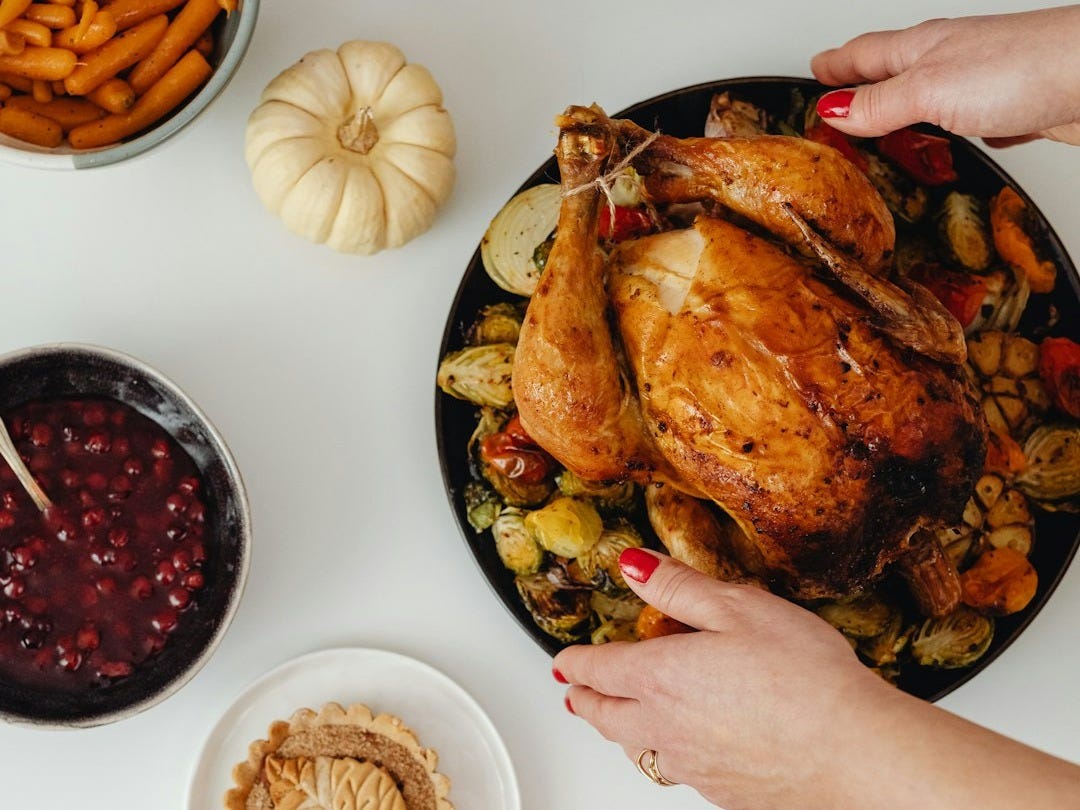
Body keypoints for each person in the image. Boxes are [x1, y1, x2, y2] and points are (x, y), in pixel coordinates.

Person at [552, 7, 1080, 809]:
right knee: (860, 230)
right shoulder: (948, 454)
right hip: (755, 245)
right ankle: (660, 163)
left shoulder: (833, 552)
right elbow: (932, 330)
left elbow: (681, 513)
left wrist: (830, 743)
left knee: (593, 445)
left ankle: (578, 199)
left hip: (640, 359)